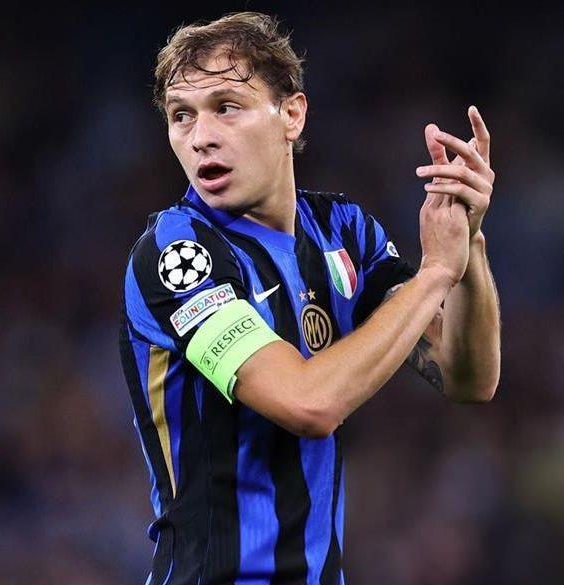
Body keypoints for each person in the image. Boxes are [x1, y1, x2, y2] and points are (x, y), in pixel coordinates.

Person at [119, 11, 501, 585]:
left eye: (227, 107)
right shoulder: (178, 254)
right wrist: (433, 276)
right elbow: (308, 405)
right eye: (182, 116)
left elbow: (469, 378)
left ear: (291, 115)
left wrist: (468, 246)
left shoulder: (343, 230)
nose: (200, 137)